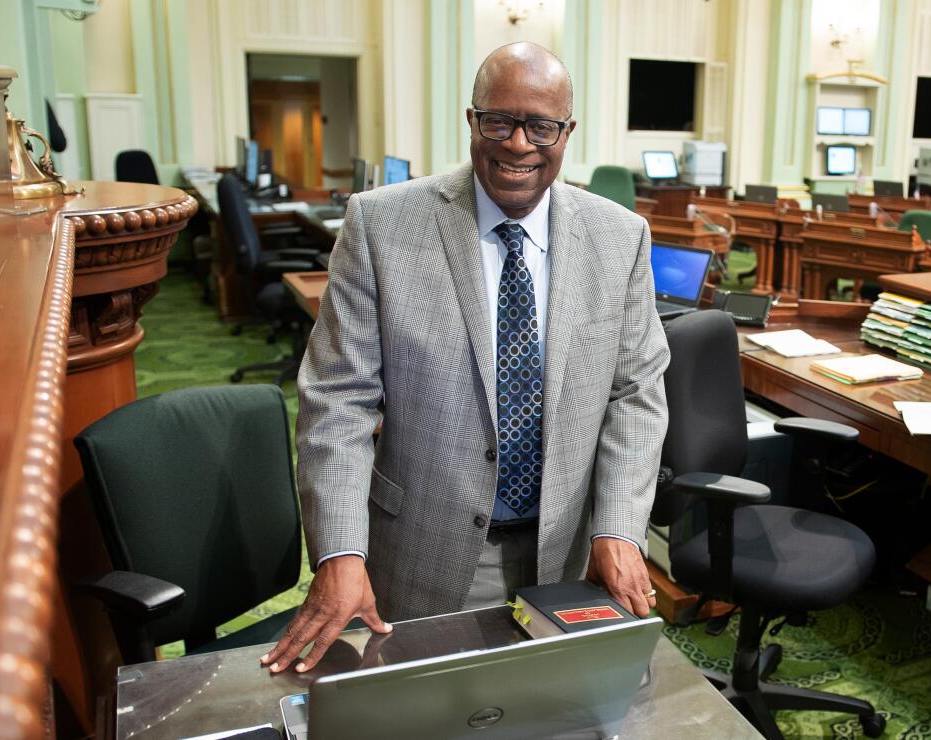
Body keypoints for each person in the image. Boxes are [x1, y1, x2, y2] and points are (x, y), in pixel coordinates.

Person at [262, 42, 670, 674]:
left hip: (565, 549)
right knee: (422, 714)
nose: (518, 143)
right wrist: (340, 553)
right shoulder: (380, 224)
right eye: (498, 121)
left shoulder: (620, 236)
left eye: (541, 126)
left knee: (552, 711)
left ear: (567, 132)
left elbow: (635, 392)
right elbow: (337, 401)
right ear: (471, 119)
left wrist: (617, 527)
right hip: (418, 548)